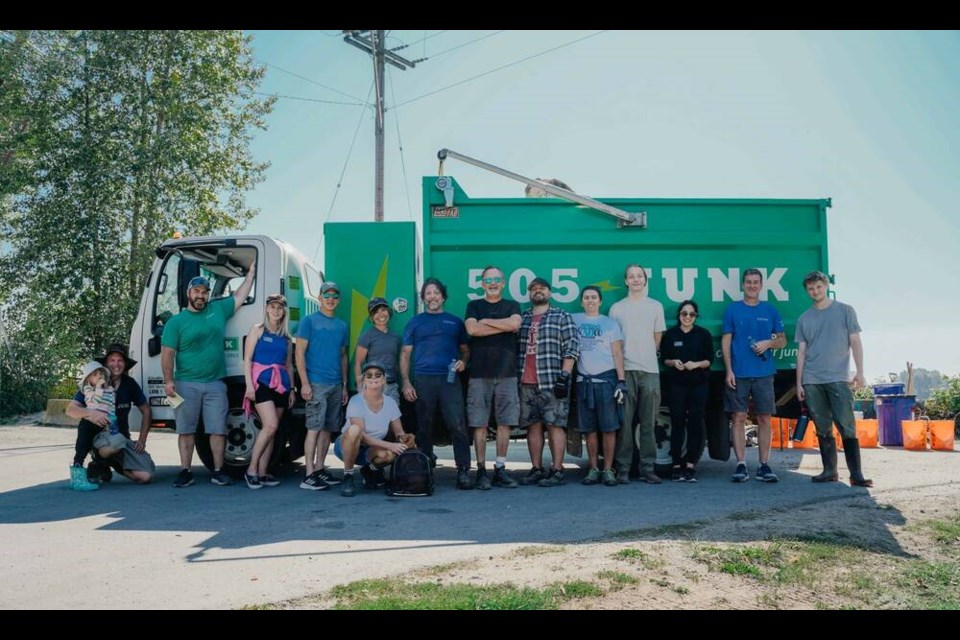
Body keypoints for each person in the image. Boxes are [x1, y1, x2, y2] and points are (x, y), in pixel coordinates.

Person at [161, 262, 256, 488]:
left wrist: (251, 274)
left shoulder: (218, 310)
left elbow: (241, 295)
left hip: (215, 384)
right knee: (186, 430)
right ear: (188, 294)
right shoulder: (176, 322)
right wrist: (168, 381)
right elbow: (167, 355)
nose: (201, 296)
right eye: (197, 292)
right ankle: (185, 471)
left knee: (218, 430)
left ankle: (218, 471)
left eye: (204, 292)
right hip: (186, 384)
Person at [795, 271, 872, 487]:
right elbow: (801, 353)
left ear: (826, 285)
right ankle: (829, 471)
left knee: (847, 426)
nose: (815, 291)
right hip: (812, 380)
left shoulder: (845, 311)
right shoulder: (804, 318)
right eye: (810, 289)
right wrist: (799, 383)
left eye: (818, 287)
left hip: (839, 377)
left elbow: (855, 341)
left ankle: (856, 474)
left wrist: (860, 371)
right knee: (822, 427)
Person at [400, 277, 474, 490]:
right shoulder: (415, 322)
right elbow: (405, 354)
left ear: (443, 297)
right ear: (423, 298)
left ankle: (463, 471)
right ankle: (425, 470)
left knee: (458, 425)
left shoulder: (455, 321)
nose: (432, 296)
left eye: (436, 293)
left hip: (450, 380)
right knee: (424, 426)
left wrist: (463, 362)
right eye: (428, 293)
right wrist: (406, 383)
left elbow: (466, 351)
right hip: (423, 379)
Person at [721, 268, 786, 483]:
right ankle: (740, 465)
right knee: (738, 418)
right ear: (743, 285)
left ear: (761, 285)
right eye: (748, 282)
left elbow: (783, 340)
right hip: (738, 373)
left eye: (755, 282)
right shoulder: (732, 310)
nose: (752, 285)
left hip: (764, 373)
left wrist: (769, 342)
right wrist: (729, 370)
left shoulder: (770, 310)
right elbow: (726, 341)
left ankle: (764, 465)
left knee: (765, 418)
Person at [517, 276, 580, 487]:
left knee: (555, 425)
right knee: (533, 426)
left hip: (552, 380)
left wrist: (565, 375)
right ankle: (536, 468)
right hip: (526, 381)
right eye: (533, 289)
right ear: (529, 294)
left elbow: (572, 346)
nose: (538, 291)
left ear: (549, 293)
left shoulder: (561, 316)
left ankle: (557, 470)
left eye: (542, 288)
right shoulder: (522, 318)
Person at [65, 344, 155, 488]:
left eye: (120, 360)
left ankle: (108, 463)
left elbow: (146, 409)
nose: (116, 364)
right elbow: (70, 410)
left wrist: (142, 440)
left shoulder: (129, 384)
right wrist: (91, 412)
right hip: (98, 436)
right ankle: (98, 460)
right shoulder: (93, 383)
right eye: (112, 360)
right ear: (106, 364)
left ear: (125, 364)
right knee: (114, 442)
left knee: (145, 476)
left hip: (121, 439)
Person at [464, 266, 521, 490]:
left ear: (504, 283)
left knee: (505, 423)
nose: (493, 283)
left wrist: (485, 322)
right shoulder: (473, 305)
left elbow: (515, 324)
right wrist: (503, 326)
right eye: (489, 280)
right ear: (482, 283)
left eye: (497, 279)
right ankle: (481, 471)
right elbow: (472, 330)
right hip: (479, 375)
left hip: (507, 374)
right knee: (479, 424)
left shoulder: (512, 305)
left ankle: (500, 469)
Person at [609, 264, 666, 485]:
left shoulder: (655, 306)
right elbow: (614, 342)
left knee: (648, 423)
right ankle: (622, 468)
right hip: (625, 371)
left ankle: (648, 468)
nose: (635, 280)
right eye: (631, 276)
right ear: (625, 281)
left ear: (645, 279)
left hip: (650, 371)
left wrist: (648, 354)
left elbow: (657, 336)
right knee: (624, 423)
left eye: (639, 276)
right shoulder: (616, 308)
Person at [296, 282, 349, 491]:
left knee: (328, 429)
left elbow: (343, 356)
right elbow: (299, 353)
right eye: (326, 295)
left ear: (338, 300)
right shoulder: (308, 321)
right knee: (314, 429)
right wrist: (305, 383)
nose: (330, 299)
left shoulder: (342, 326)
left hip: (336, 384)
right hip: (316, 384)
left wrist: (344, 385)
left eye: (335, 296)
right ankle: (308, 474)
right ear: (319, 297)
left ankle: (319, 469)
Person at [572, 286, 625, 487]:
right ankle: (593, 469)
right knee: (590, 430)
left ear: (600, 301)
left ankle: (608, 470)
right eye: (586, 297)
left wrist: (621, 381)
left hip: (606, 382)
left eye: (594, 297)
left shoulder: (610, 324)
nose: (590, 300)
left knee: (609, 428)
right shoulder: (574, 319)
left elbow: (618, 354)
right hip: (584, 381)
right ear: (582, 302)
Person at [241, 293, 295, 489]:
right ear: (266, 309)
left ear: (284, 312)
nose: (275, 310)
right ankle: (251, 470)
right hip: (261, 382)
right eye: (272, 307)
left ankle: (263, 473)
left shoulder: (287, 338)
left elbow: (288, 365)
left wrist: (291, 390)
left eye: (279, 308)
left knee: (272, 430)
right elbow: (247, 360)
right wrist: (249, 385)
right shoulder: (257, 330)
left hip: (280, 384)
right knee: (270, 425)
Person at [334, 361, 410, 497]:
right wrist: (390, 445)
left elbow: (399, 432)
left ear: (383, 379)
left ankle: (369, 471)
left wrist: (405, 441)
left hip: (370, 449)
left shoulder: (390, 402)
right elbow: (361, 435)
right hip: (346, 446)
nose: (373, 378)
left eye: (377, 375)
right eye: (369, 375)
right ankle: (348, 476)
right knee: (355, 430)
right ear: (363, 380)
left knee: (390, 454)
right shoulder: (356, 401)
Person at [660, 300, 714, 483]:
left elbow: (709, 360)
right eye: (684, 314)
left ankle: (691, 465)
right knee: (677, 422)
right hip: (676, 384)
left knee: (695, 423)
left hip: (698, 383)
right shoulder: (670, 334)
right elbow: (665, 359)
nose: (688, 317)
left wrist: (695, 364)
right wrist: (674, 362)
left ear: (696, 316)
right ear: (679, 315)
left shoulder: (703, 334)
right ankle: (676, 465)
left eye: (692, 314)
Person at [354, 297, 402, 406]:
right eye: (376, 312)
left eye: (383, 310)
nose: (381, 314)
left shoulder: (395, 337)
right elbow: (358, 363)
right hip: (372, 386)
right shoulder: (366, 336)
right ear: (371, 317)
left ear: (388, 312)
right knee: (374, 421)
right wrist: (360, 388)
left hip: (392, 386)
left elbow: (396, 363)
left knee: (393, 420)